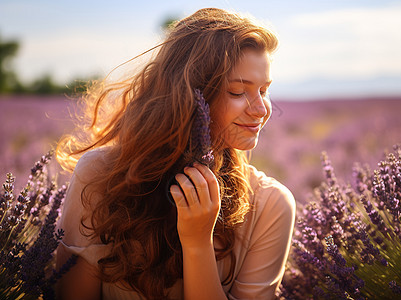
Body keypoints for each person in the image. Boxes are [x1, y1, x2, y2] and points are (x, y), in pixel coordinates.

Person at [55, 7, 296, 300]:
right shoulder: (102, 176)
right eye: (237, 92)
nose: (261, 109)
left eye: (264, 90)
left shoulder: (270, 205)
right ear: (188, 95)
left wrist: (197, 243)